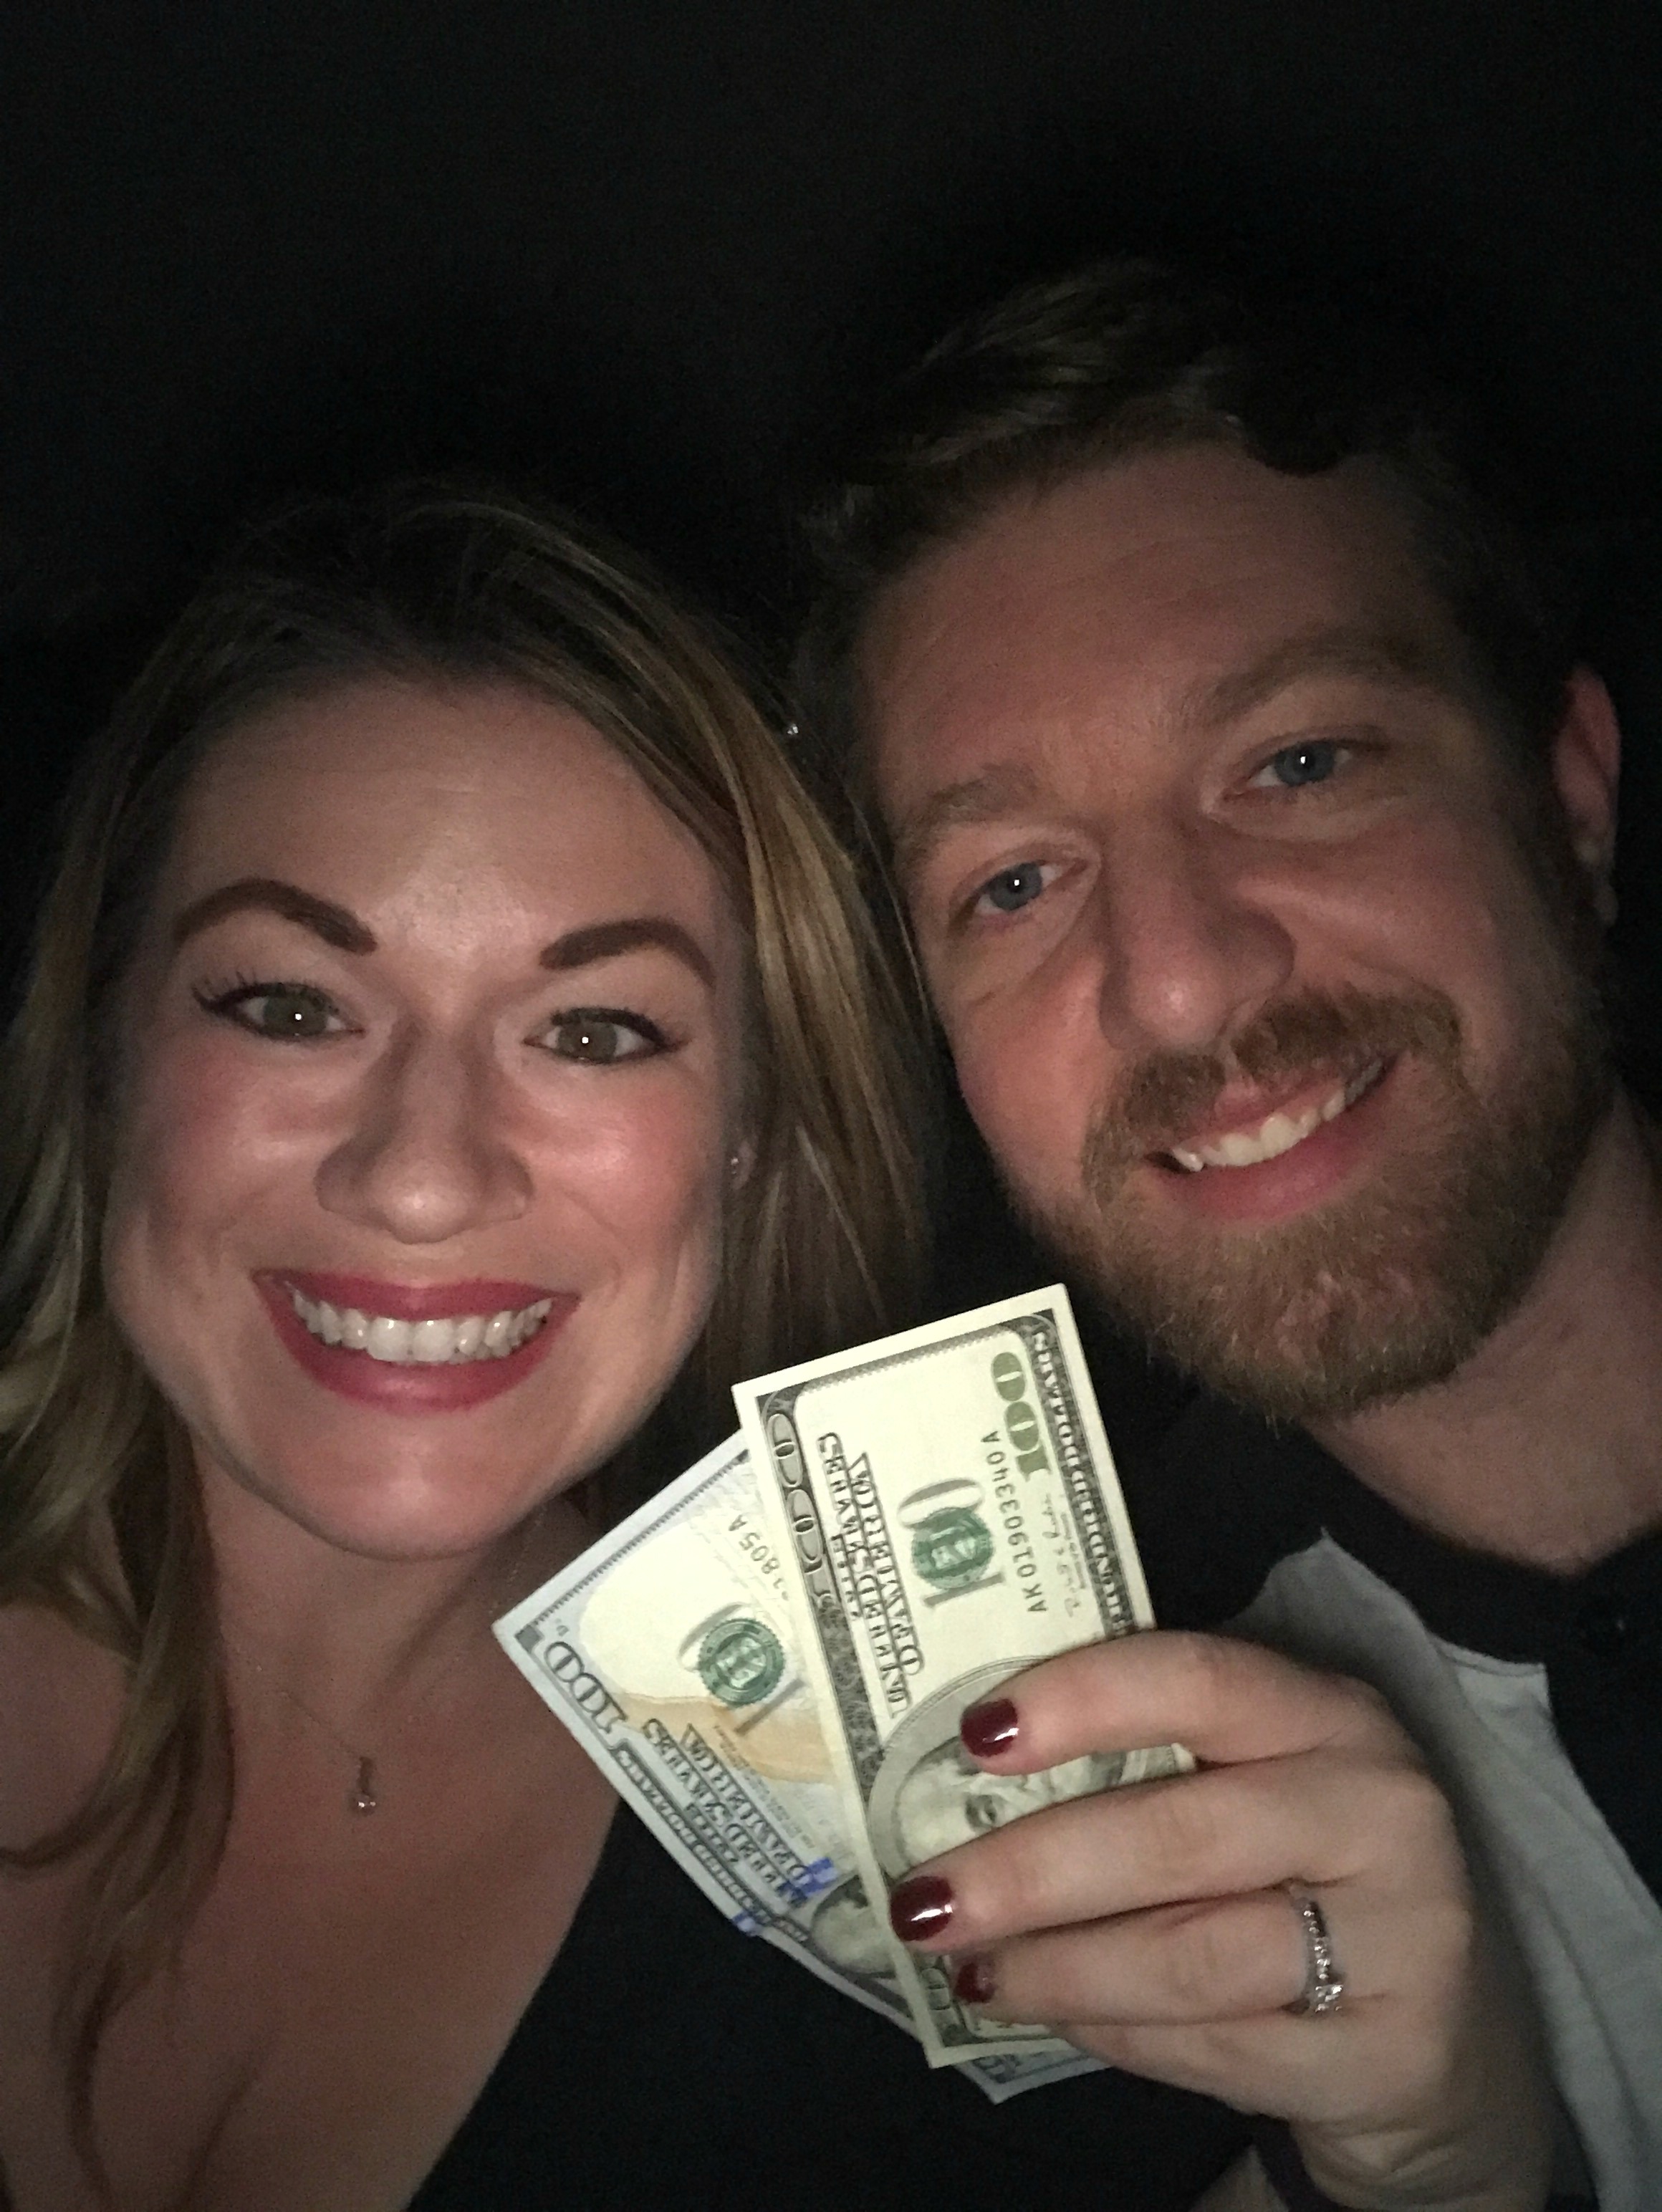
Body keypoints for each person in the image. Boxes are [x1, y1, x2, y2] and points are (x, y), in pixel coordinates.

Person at [0, 479, 1270, 2212]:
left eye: (595, 1029)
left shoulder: (933, 1868)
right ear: (105, 1054)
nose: (424, 1175)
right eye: (290, 1004)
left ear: (746, 1137)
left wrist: (1411, 2165)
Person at [796, 256, 1662, 2211]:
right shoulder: (1088, 1846)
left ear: (1569, 800)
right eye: (1015, 881)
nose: (1180, 982)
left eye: (1298, 764)